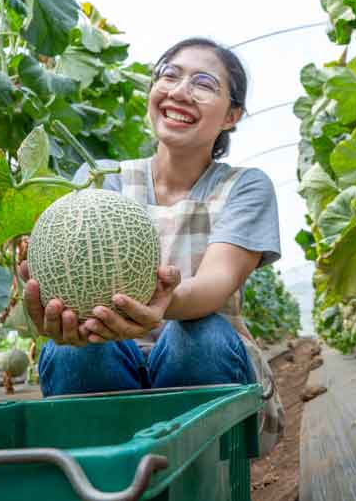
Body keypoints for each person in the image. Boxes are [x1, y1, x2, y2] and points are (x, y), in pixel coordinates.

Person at [18, 37, 284, 453]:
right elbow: (68, 277)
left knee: (196, 337)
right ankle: (107, 478)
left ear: (231, 115)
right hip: (112, 356)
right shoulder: (99, 178)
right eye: (170, 75)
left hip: (203, 362)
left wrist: (155, 306)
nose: (180, 91)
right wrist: (52, 298)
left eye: (203, 83)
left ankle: (203, 479)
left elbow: (216, 281)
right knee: (74, 351)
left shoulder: (245, 187)